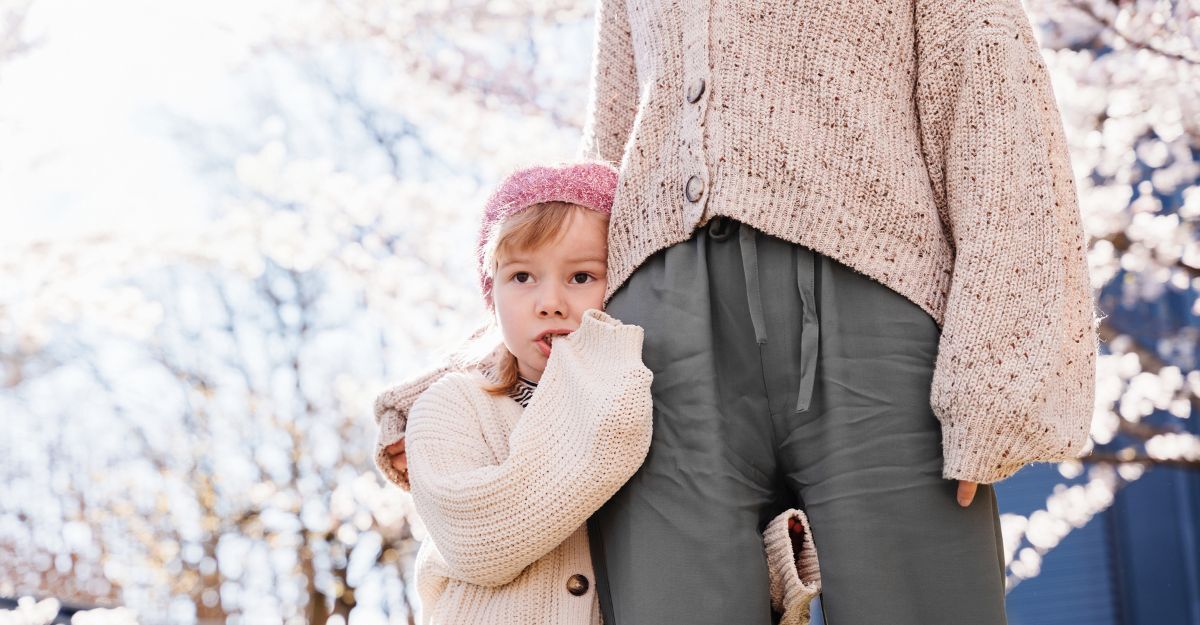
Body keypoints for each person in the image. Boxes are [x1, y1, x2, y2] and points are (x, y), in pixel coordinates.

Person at [565, 0, 1100, 623]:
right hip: (658, 354)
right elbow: (608, 150)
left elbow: (992, 96)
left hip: (876, 322)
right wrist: (504, 361)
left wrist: (997, 382)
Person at [377, 161, 822, 625]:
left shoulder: (649, 401)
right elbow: (477, 540)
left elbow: (677, 543)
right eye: (522, 277)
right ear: (493, 294)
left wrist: (775, 556)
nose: (549, 301)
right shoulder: (451, 406)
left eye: (582, 277)